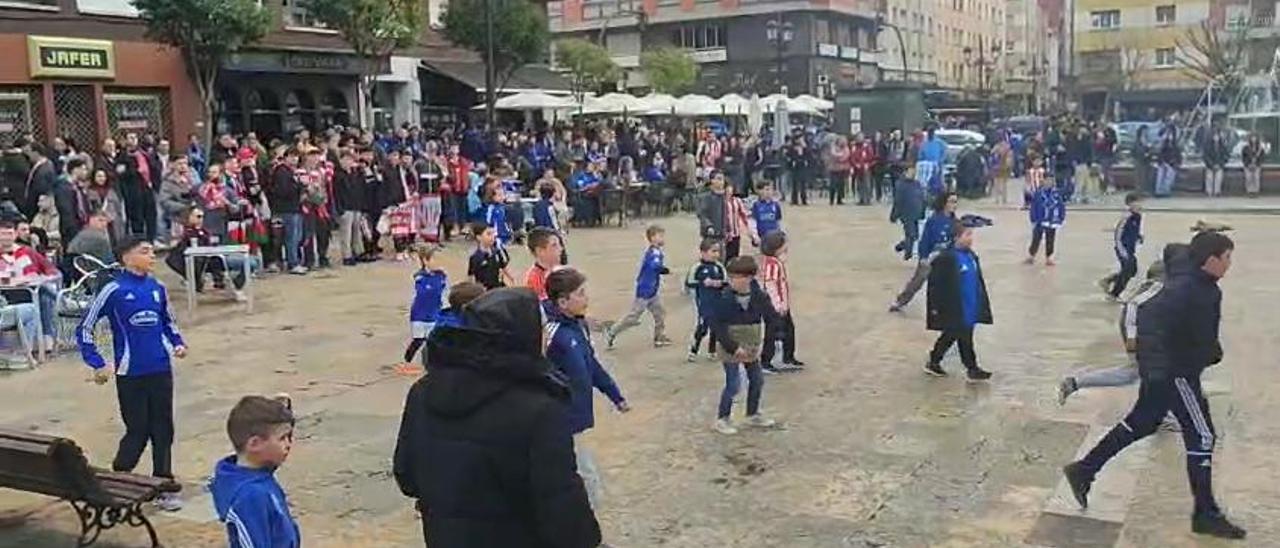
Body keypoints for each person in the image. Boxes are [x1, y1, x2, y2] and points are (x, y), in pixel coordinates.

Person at [1063, 232, 1246, 540]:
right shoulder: (1187, 289)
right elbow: (1150, 318)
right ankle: (1205, 514)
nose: (1229, 264)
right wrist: (1167, 364)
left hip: (1168, 369)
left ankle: (1083, 470)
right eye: (1226, 257)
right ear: (1211, 260)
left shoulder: (1197, 281)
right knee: (1202, 436)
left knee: (1141, 423)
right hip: (1175, 372)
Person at [392, 288, 602, 547]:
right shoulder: (540, 410)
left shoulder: (423, 392)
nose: (547, 337)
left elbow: (407, 475)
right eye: (542, 328)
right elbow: (561, 507)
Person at [78, 236, 186, 511]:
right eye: (145, 252)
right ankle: (120, 474)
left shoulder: (157, 288)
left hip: (160, 368)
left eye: (152, 251)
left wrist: (177, 343)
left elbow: (168, 322)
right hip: (131, 372)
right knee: (138, 429)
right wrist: (96, 361)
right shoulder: (113, 289)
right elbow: (85, 327)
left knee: (164, 428)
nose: (152, 256)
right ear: (126, 257)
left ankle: (164, 482)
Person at [543, 267, 630, 510]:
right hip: (560, 419)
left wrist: (615, 395)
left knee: (581, 476)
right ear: (562, 301)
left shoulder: (578, 325)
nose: (586, 299)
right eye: (580, 294)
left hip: (576, 417)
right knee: (586, 477)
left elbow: (590, 363)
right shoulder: (550, 333)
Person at [1060, 256, 1174, 406]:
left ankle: (1074, 383)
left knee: (1134, 373)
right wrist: (1132, 338)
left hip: (1141, 330)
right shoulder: (1156, 287)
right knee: (1150, 372)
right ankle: (1164, 413)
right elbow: (1133, 305)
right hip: (1133, 328)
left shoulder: (1164, 289)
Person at [210, 395, 301, 548]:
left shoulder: (253, 472)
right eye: (282, 438)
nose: (289, 444)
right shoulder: (250, 496)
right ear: (254, 444)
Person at [709, 255, 780, 435]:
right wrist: (733, 347)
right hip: (729, 347)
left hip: (751, 344)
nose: (732, 281)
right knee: (733, 383)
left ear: (749, 278)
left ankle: (752, 413)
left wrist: (772, 339)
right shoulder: (723, 298)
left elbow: (771, 317)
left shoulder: (758, 296)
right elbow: (717, 326)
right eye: (730, 277)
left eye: (736, 277)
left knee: (757, 380)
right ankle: (722, 418)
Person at [923, 220, 994, 381]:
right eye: (967, 235)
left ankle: (939, 361)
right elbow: (936, 285)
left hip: (970, 305)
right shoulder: (947, 259)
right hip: (956, 307)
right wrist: (935, 308)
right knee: (957, 335)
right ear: (956, 237)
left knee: (958, 336)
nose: (971, 239)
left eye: (971, 235)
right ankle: (969, 368)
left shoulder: (971, 256)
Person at [604, 225, 672, 349]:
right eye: (660, 236)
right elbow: (654, 265)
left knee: (660, 313)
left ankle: (659, 337)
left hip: (652, 291)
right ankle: (612, 331)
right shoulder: (654, 253)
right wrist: (663, 269)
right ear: (652, 238)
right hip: (645, 291)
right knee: (633, 317)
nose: (663, 238)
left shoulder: (656, 251)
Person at [889, 191, 958, 312]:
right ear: (945, 203)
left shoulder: (955, 222)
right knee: (917, 281)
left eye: (955, 202)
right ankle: (900, 301)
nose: (954, 205)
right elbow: (925, 240)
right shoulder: (934, 220)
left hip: (947, 258)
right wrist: (923, 257)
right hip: (931, 257)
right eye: (951, 201)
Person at [758, 231, 803, 372]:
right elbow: (770, 286)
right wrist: (778, 305)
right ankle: (767, 361)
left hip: (782, 305)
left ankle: (787, 357)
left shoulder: (776, 262)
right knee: (775, 333)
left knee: (788, 329)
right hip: (774, 306)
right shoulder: (772, 265)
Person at [400, 243, 446, 375]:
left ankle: (433, 363)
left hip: (434, 312)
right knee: (418, 340)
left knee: (433, 339)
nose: (438, 262)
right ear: (425, 261)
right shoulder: (420, 276)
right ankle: (406, 362)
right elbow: (423, 292)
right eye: (434, 259)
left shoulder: (441, 276)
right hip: (420, 314)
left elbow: (442, 291)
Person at [685, 238, 725, 362]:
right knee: (703, 327)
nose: (716, 254)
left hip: (717, 302)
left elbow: (726, 282)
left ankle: (712, 351)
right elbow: (690, 282)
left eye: (718, 251)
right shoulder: (697, 267)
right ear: (703, 252)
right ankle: (693, 350)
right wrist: (703, 283)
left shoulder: (719, 267)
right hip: (703, 303)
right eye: (713, 251)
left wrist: (719, 283)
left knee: (716, 327)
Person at [1099, 192, 1144, 300]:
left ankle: (1109, 280)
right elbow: (1118, 235)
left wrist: (1139, 237)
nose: (1140, 205)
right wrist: (1122, 251)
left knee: (1133, 270)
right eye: (1137, 203)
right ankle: (1114, 294)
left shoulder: (1138, 216)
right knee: (1127, 270)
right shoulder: (1126, 217)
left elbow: (1134, 230)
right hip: (1123, 248)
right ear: (1130, 204)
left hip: (1130, 248)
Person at [270, 148, 306, 274]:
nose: (294, 159)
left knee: (296, 237)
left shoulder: (293, 172)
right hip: (286, 209)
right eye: (291, 156)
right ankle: (293, 263)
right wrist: (299, 185)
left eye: (296, 157)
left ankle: (293, 261)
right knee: (291, 237)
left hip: (295, 208)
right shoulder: (282, 171)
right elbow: (283, 190)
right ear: (285, 157)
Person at [333, 148, 367, 266]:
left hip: (356, 206)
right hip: (345, 207)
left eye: (350, 159)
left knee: (356, 231)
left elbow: (360, 189)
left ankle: (357, 252)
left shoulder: (356, 174)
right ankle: (346, 255)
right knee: (345, 233)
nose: (348, 162)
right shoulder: (338, 175)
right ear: (341, 160)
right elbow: (336, 193)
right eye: (345, 159)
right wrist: (339, 208)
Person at [1026, 170, 1066, 266]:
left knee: (1050, 239)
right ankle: (1031, 255)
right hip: (1040, 220)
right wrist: (1033, 219)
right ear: (1043, 181)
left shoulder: (1056, 194)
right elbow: (1033, 207)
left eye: (1051, 180)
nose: (1049, 182)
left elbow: (1061, 206)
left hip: (1052, 220)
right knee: (1036, 238)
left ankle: (1049, 257)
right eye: (1047, 180)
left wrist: (1061, 217)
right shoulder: (1039, 193)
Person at [889, 166, 926, 261]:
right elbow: (898, 201)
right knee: (911, 234)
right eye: (910, 172)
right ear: (905, 172)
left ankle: (901, 246)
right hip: (906, 213)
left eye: (914, 172)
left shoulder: (917, 184)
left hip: (916, 213)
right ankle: (908, 254)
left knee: (915, 235)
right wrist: (894, 215)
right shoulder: (900, 185)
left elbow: (922, 199)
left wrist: (922, 211)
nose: (913, 174)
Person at [467, 223, 514, 290]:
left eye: (493, 234)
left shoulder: (497, 252)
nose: (492, 237)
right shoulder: (475, 257)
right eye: (488, 234)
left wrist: (511, 278)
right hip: (484, 290)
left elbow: (503, 266)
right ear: (479, 237)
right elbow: (471, 276)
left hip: (498, 287)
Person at [523, 226, 562, 300]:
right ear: (540, 251)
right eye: (554, 245)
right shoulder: (534, 280)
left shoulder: (558, 270)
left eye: (559, 244)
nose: (560, 249)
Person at [1201, 128, 1229, 197]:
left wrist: (1220, 164)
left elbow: (1225, 156)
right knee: (1209, 177)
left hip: (1219, 165)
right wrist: (1212, 165)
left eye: (1217, 136)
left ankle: (1217, 192)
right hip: (1210, 165)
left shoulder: (1222, 146)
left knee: (1219, 177)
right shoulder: (1208, 145)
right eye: (1214, 136)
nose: (1216, 138)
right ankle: (1208, 192)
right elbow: (1205, 156)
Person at [825, 136, 851, 205]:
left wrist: (838, 157)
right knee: (832, 185)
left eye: (844, 141)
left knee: (841, 185)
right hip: (833, 169)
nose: (843, 142)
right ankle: (831, 200)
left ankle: (839, 200)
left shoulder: (846, 148)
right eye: (841, 140)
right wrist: (840, 156)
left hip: (842, 169)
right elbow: (833, 155)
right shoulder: (833, 147)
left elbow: (845, 157)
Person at [1241, 132, 1267, 197]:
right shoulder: (1246, 148)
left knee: (1256, 178)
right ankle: (1249, 191)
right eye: (1252, 137)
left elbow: (1262, 158)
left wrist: (1257, 164)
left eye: (1255, 137)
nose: (1253, 139)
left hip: (1257, 166)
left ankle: (1256, 192)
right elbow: (1243, 158)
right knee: (1248, 178)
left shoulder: (1260, 148)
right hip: (1248, 166)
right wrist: (1248, 164)